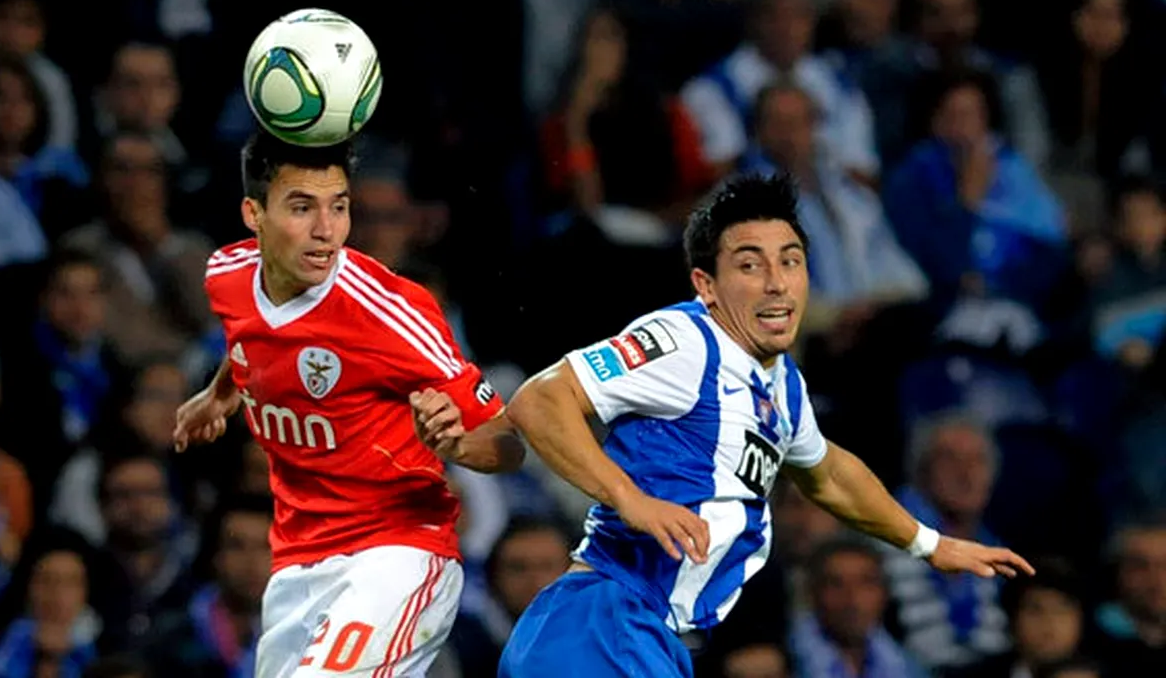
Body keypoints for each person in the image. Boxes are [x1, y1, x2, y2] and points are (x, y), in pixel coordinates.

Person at [492, 174, 1034, 677]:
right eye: (750, 265)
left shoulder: (781, 383)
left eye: (791, 262)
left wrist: (928, 543)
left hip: (648, 633)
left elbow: (827, 472)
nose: (777, 284)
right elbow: (540, 401)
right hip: (601, 625)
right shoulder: (687, 341)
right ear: (706, 284)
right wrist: (627, 497)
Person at [172, 130, 523, 678]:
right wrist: (218, 395)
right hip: (296, 565)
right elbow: (252, 340)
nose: (326, 230)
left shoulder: (390, 313)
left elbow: (508, 444)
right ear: (253, 214)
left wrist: (454, 443)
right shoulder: (227, 276)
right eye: (301, 207)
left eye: (339, 207)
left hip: (399, 555)